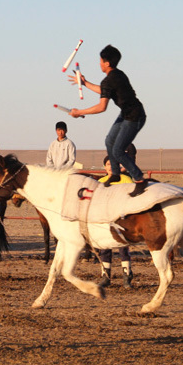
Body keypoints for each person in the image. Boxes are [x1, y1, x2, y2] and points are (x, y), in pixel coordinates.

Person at [69, 45, 147, 196]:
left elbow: (101, 106)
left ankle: (139, 179)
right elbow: (105, 91)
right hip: (126, 114)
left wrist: (79, 112)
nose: (99, 64)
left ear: (107, 63)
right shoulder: (118, 75)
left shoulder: (110, 80)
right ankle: (115, 174)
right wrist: (85, 83)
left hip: (134, 117)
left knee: (118, 150)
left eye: (100, 61)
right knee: (109, 141)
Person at [96, 156, 134, 287]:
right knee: (104, 248)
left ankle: (127, 276)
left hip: (121, 218)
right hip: (105, 218)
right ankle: (105, 277)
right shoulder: (100, 182)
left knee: (123, 247)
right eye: (108, 164)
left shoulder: (126, 179)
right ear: (104, 167)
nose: (110, 167)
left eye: (113, 164)